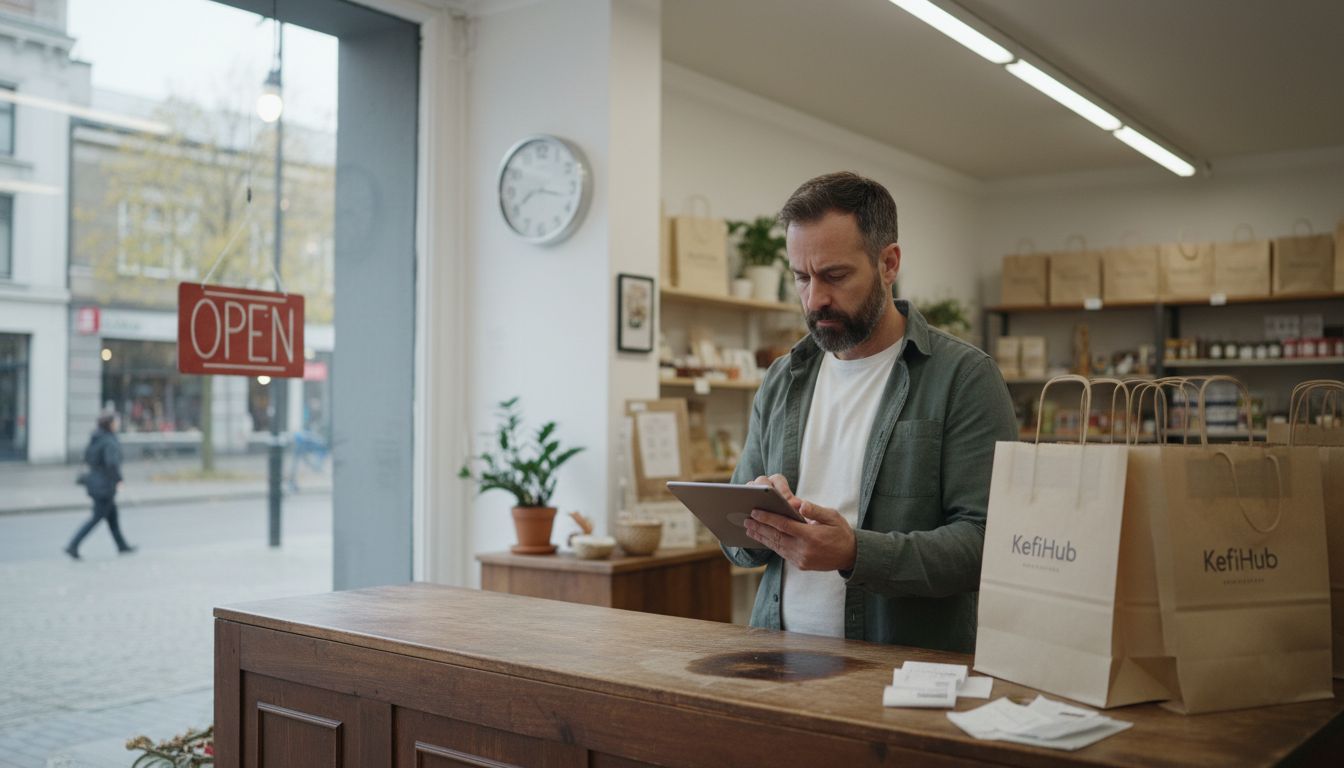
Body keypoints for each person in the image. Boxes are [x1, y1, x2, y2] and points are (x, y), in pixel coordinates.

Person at [725, 171, 1016, 653]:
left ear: (888, 263)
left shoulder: (963, 378)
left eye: (835, 276)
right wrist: (752, 515)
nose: (815, 299)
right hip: (775, 662)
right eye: (802, 277)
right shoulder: (783, 378)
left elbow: (988, 544)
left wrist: (858, 553)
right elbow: (737, 545)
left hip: (901, 675)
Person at [65, 409, 136, 560]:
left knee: (112, 516)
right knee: (96, 517)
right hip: (104, 485)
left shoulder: (96, 437)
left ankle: (122, 545)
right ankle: (73, 545)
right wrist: (118, 479)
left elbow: (88, 457)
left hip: (95, 481)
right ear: (110, 424)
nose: (118, 424)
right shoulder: (109, 440)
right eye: (116, 421)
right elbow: (112, 464)